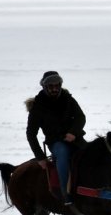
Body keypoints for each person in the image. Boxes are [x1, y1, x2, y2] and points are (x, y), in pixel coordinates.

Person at [26, 71, 87, 205]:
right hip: (56, 143)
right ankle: (66, 193)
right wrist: (40, 157)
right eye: (50, 86)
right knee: (63, 154)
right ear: (45, 87)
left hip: (75, 138)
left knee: (91, 153)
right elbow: (31, 134)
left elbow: (80, 117)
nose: (54, 89)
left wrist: (73, 132)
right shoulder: (38, 107)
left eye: (56, 85)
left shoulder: (68, 99)